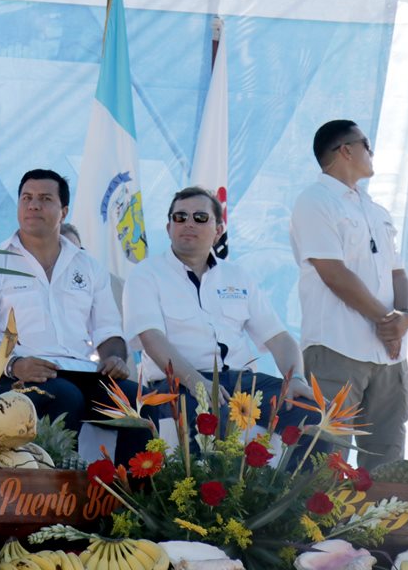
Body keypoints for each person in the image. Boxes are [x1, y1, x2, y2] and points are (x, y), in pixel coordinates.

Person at [0, 169, 145, 464]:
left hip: (79, 372)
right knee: (64, 396)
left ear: (64, 211)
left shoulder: (88, 266)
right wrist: (15, 365)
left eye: (45, 199)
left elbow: (109, 332)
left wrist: (115, 358)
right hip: (12, 378)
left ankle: (128, 500)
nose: (33, 205)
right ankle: (54, 498)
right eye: (26, 198)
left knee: (137, 402)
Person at [123, 187, 316, 445]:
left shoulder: (238, 276)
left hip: (241, 381)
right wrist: (196, 383)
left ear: (218, 230)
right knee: (213, 412)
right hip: (178, 384)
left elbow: (280, 339)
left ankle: (298, 486)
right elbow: (151, 338)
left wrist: (297, 379)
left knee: (313, 412)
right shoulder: (146, 274)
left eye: (200, 218)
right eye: (180, 217)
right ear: (169, 227)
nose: (188, 223)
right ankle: (211, 486)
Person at [290, 120, 408, 468]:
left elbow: (398, 273)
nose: (372, 153)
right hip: (337, 348)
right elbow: (333, 273)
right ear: (346, 149)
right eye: (367, 145)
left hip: (389, 356)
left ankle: (380, 526)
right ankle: (321, 526)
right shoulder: (315, 200)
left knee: (388, 466)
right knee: (326, 464)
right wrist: (386, 320)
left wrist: (406, 317)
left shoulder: (375, 209)